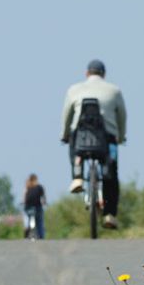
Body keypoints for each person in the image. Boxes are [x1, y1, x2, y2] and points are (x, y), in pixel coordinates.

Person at [60, 59, 127, 230]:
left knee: (74, 146)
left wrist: (65, 135)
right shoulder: (114, 90)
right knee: (111, 173)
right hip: (107, 139)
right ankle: (110, 214)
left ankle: (77, 176)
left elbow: (67, 115)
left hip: (80, 138)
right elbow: (122, 116)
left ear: (87, 73)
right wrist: (121, 136)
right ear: (103, 74)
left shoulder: (74, 90)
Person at [22, 173, 47, 239]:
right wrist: (44, 202)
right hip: (38, 207)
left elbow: (24, 198)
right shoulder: (40, 187)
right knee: (40, 222)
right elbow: (43, 198)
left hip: (28, 208)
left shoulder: (27, 187)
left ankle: (26, 229)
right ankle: (41, 235)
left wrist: (24, 203)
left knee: (27, 219)